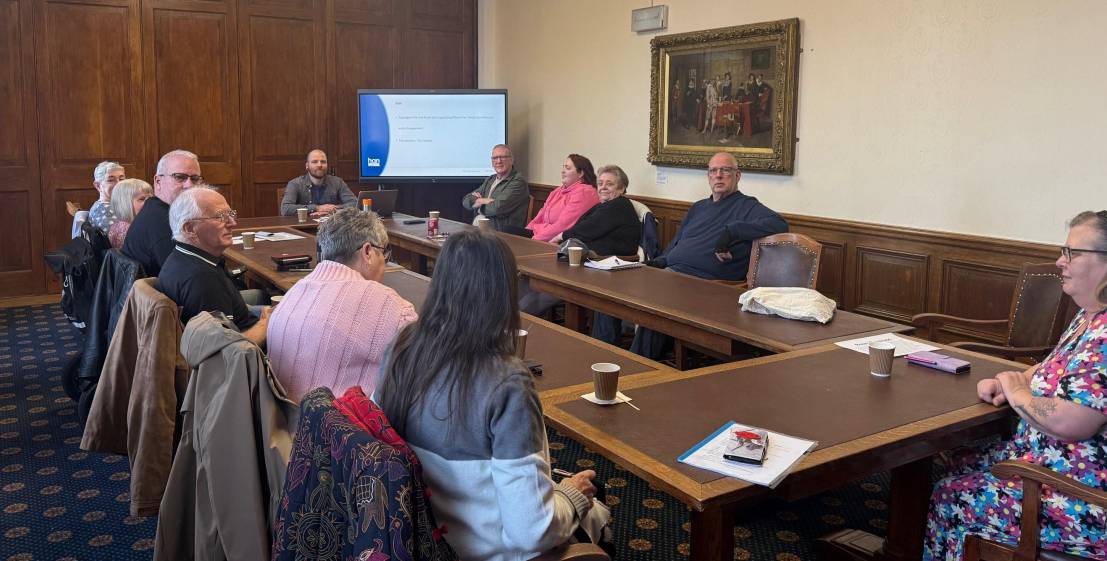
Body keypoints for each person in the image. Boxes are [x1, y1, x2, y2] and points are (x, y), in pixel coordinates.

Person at [376, 229, 612, 561]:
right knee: (594, 502)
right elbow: (530, 532)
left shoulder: (402, 346)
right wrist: (572, 496)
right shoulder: (507, 383)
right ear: (503, 291)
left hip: (418, 537)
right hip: (487, 549)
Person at [923, 210, 1107, 561]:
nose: (1059, 261)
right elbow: (1044, 370)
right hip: (1045, 464)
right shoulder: (1089, 317)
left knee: (951, 496)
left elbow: (1074, 422)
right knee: (954, 461)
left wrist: (1017, 392)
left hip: (1085, 493)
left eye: (1072, 252)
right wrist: (1010, 381)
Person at [632, 152, 787, 359]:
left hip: (706, 284)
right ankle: (606, 355)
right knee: (611, 291)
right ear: (708, 177)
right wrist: (655, 263)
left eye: (725, 170)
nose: (719, 175)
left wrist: (732, 231)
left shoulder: (747, 206)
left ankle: (635, 371)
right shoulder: (698, 208)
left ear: (738, 176)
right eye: (713, 171)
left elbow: (780, 224)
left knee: (655, 304)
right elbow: (677, 243)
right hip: (672, 274)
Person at [267, 208, 417, 402]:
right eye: (384, 253)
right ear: (368, 251)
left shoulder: (296, 290)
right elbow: (426, 371)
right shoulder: (390, 306)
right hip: (342, 429)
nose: (385, 263)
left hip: (282, 423)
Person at [157, 187, 269, 345]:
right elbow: (225, 354)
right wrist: (266, 325)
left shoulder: (180, 257)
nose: (232, 223)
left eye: (230, 214)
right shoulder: (203, 279)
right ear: (189, 228)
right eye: (221, 217)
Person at [123, 149, 202, 277]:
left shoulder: (154, 208)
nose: (189, 185)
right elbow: (184, 278)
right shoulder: (162, 221)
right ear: (158, 181)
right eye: (180, 177)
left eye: (195, 178)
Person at [551, 164, 640, 257]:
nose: (603, 187)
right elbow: (582, 226)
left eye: (609, 184)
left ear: (621, 188)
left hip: (612, 261)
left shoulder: (619, 205)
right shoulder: (604, 205)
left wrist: (559, 237)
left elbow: (587, 229)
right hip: (593, 258)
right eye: (600, 184)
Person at [519, 154, 599, 242]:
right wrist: (527, 230)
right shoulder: (558, 190)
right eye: (563, 168)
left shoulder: (585, 192)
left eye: (567, 168)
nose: (562, 171)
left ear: (581, 173)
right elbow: (540, 216)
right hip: (539, 234)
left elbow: (563, 225)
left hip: (556, 241)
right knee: (507, 233)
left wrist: (533, 241)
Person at [461, 144, 530, 232]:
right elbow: (466, 200)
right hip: (481, 229)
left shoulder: (518, 182)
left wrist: (477, 203)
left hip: (502, 233)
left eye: (503, 157)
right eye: (495, 158)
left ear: (511, 160)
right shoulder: (490, 179)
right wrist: (483, 200)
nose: (498, 161)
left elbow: (497, 208)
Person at [280, 149, 356, 217]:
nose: (319, 165)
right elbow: (285, 209)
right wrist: (317, 208)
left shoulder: (338, 182)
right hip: (303, 227)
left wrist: (332, 209)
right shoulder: (295, 184)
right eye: (314, 162)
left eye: (323, 162)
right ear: (307, 166)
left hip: (331, 227)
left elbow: (355, 203)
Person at [106, 179, 153, 249]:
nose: (149, 202)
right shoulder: (132, 231)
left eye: (151, 198)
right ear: (125, 204)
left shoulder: (118, 225)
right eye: (142, 199)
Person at [88, 161, 126, 233]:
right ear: (98, 186)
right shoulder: (103, 210)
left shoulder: (116, 205)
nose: (119, 184)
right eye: (111, 180)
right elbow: (120, 240)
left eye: (121, 179)